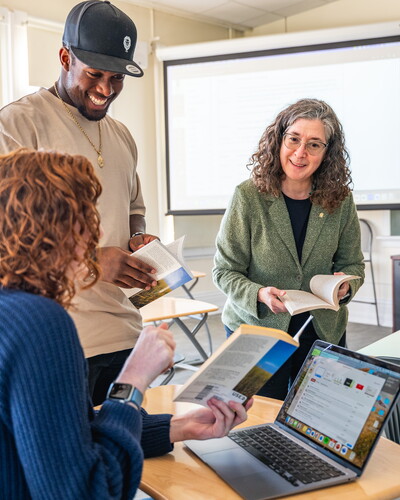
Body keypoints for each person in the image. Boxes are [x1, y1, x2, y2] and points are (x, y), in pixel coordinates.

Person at [0, 148, 251, 500]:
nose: (95, 233)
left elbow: (71, 437)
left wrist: (177, 427)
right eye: (86, 217)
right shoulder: (40, 323)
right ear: (53, 228)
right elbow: (88, 492)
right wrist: (133, 379)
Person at [0, 1, 165, 405]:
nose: (105, 90)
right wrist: (92, 262)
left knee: (134, 457)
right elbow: (8, 245)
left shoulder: (123, 135)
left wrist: (139, 240)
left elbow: (133, 210)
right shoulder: (17, 125)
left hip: (124, 334)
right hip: (61, 337)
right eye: (93, 75)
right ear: (64, 57)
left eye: (117, 78)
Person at [213, 98, 365, 400]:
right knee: (252, 418)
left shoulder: (340, 199)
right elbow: (225, 271)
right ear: (278, 139)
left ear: (327, 153)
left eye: (314, 144)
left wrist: (346, 287)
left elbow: (354, 265)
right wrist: (259, 294)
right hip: (258, 329)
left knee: (315, 419)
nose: (300, 153)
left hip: (321, 330)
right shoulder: (248, 196)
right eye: (293, 139)